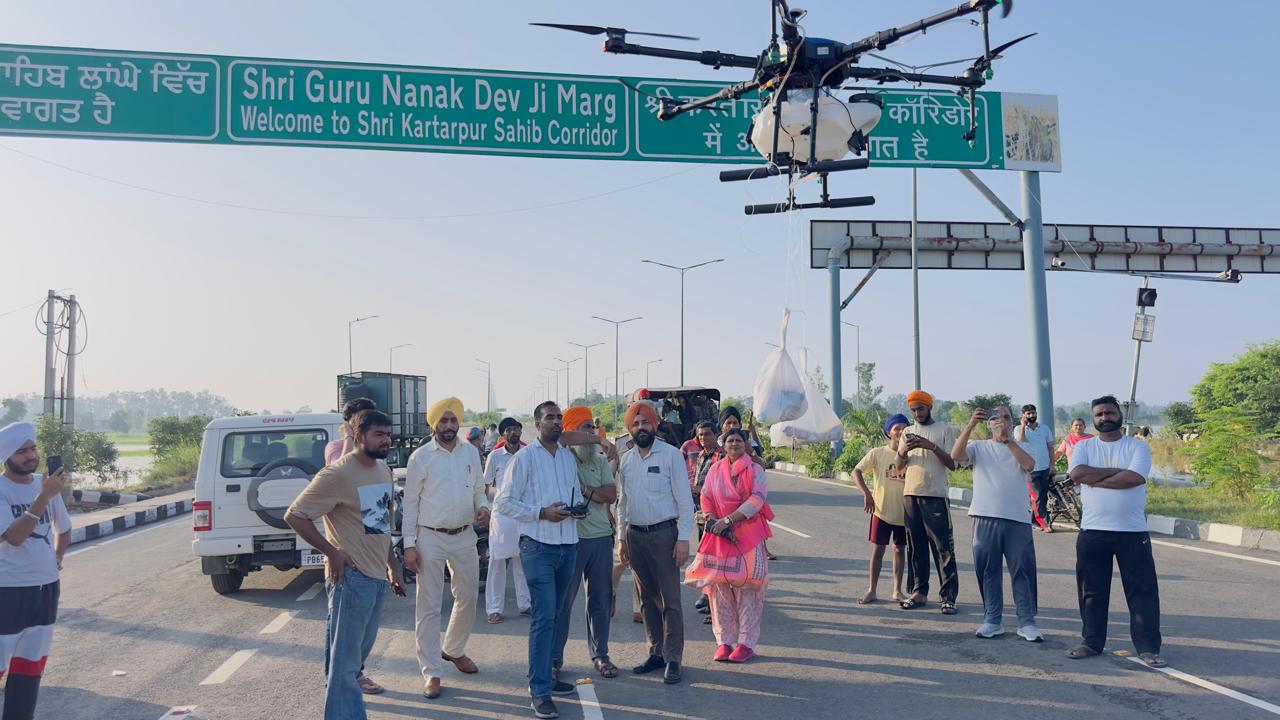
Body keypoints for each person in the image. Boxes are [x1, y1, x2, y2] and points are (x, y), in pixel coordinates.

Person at [285, 410, 405, 720]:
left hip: (375, 577)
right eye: (379, 434)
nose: (386, 440)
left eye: (388, 434)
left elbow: (378, 524)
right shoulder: (337, 474)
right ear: (359, 435)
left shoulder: (382, 470)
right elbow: (295, 515)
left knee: (350, 660)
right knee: (347, 665)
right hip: (353, 578)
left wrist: (392, 566)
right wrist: (332, 552)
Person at [494, 401, 581, 719]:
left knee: (556, 615)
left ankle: (549, 677)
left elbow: (574, 493)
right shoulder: (524, 458)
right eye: (550, 418)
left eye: (559, 417)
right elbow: (504, 502)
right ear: (537, 424)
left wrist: (577, 508)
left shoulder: (567, 457)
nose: (556, 422)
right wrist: (540, 513)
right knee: (544, 618)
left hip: (568, 544)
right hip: (538, 547)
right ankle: (540, 691)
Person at [402, 397, 491, 699]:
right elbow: (410, 503)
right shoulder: (421, 457)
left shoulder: (471, 452)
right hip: (430, 536)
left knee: (468, 596)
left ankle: (453, 649)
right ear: (434, 423)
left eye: (453, 420)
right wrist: (409, 545)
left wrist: (483, 507)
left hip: (464, 534)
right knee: (428, 605)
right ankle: (431, 671)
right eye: (444, 420)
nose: (449, 425)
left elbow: (478, 489)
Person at [1067, 395, 1164, 668]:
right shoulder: (1084, 447)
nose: (1104, 418)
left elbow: (1134, 478)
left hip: (1132, 532)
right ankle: (1091, 642)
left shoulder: (1137, 446)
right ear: (1093, 419)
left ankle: (1148, 647)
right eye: (1099, 414)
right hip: (1092, 531)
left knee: (1142, 591)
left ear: (1119, 415)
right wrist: (1116, 473)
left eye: (1109, 413)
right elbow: (1077, 475)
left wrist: (1096, 478)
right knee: (1091, 592)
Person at [616, 401, 694, 685]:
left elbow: (685, 501)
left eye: (645, 422)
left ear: (655, 424)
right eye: (635, 424)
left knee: (670, 600)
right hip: (635, 536)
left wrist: (683, 539)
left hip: (664, 535)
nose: (641, 428)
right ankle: (655, 652)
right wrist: (621, 538)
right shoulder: (626, 460)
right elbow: (622, 503)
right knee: (646, 599)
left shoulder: (671, 455)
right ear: (630, 429)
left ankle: (673, 658)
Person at [952, 406, 1042, 642]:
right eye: (995, 417)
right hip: (984, 516)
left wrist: (1008, 441)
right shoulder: (979, 447)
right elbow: (956, 456)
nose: (1001, 421)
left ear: (1012, 422)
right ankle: (992, 620)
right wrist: (970, 425)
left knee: (1022, 569)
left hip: (1017, 518)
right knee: (988, 570)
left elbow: (1029, 465)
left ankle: (1026, 621)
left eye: (1006, 417)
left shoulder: (1022, 446)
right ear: (988, 423)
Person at [0, 422, 71, 720]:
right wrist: (43, 496)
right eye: (22, 451)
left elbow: (64, 528)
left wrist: (57, 558)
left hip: (45, 589)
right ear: (7, 456)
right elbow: (14, 537)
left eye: (33, 449)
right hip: (8, 591)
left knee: (29, 669)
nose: (31, 456)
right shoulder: (3, 490)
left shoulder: (45, 486)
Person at [684, 428, 773, 663]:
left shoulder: (755, 470)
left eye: (739, 440)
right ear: (724, 445)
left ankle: (746, 643)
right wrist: (713, 520)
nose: (734, 444)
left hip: (748, 534)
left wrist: (729, 521)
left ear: (746, 444)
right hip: (719, 535)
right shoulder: (715, 469)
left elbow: (757, 498)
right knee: (719, 591)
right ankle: (723, 642)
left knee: (748, 591)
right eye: (730, 440)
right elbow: (706, 496)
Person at [553, 406, 620, 680]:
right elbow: (562, 437)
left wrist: (585, 490)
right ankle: (554, 660)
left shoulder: (599, 460)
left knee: (600, 600)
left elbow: (611, 495)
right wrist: (599, 438)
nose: (591, 432)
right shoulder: (562, 454)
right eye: (585, 427)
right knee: (563, 602)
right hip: (571, 539)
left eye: (593, 427)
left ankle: (601, 655)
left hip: (601, 537)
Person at [897, 389, 960, 614]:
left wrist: (930, 446)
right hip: (911, 495)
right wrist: (903, 451)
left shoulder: (944, 430)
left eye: (921, 409)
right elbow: (899, 466)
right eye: (914, 410)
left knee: (943, 549)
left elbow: (953, 464)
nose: (917, 413)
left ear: (929, 407)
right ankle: (918, 592)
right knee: (916, 547)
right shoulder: (907, 432)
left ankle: (948, 597)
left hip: (935, 496)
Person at [852, 414, 910, 605]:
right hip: (881, 511)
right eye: (896, 428)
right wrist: (866, 494)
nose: (900, 432)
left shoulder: (913, 455)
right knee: (878, 550)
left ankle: (897, 590)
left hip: (904, 513)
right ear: (888, 432)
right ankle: (872, 590)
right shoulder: (878, 453)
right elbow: (856, 471)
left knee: (900, 550)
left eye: (904, 428)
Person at [483, 417, 530, 623]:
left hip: (524, 512)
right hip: (501, 514)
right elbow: (485, 486)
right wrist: (484, 510)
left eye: (516, 429)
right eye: (509, 429)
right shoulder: (495, 456)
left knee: (523, 560)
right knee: (497, 561)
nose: (513, 432)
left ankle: (526, 604)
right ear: (503, 434)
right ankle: (494, 609)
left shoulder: (528, 453)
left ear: (520, 431)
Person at [1013, 404, 1056, 533]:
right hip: (1030, 469)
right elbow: (1020, 442)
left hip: (1044, 468)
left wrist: (1052, 465)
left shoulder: (1044, 428)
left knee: (1043, 496)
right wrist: (1023, 426)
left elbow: (1050, 448)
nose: (1031, 415)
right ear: (1023, 415)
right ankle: (1043, 523)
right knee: (1037, 496)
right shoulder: (1018, 429)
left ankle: (1034, 521)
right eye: (1028, 413)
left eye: (1033, 413)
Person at [326, 397, 377, 465]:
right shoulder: (336, 446)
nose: (362, 424)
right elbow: (340, 468)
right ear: (346, 423)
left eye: (367, 420)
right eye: (357, 420)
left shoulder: (373, 445)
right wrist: (348, 436)